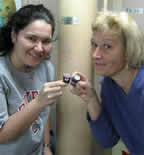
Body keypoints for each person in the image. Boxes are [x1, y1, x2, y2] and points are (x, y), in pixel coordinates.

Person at [71, 11, 144, 155]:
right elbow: (107, 140)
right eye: (94, 44)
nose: (95, 54)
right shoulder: (109, 86)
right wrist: (91, 99)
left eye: (107, 46)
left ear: (129, 50)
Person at [0, 4, 66, 155]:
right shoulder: (2, 73)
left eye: (46, 41)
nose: (39, 48)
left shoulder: (46, 68)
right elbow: (2, 135)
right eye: (31, 38)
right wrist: (38, 101)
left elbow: (44, 112)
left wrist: (47, 145)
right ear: (14, 35)